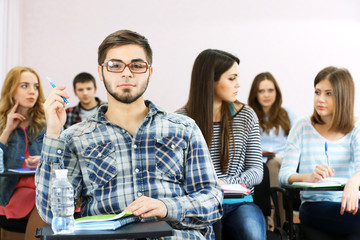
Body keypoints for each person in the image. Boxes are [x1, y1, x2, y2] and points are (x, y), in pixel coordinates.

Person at [35, 30, 223, 239]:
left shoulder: (184, 128)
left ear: (149, 71)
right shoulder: (75, 137)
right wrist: (53, 133)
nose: (126, 73)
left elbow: (212, 200)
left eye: (137, 65)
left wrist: (166, 207)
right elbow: (52, 213)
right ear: (101, 71)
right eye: (115, 65)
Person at [176, 49, 266, 240]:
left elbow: (257, 170)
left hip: (238, 203)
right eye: (232, 78)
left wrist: (226, 183)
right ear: (211, 81)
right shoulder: (181, 121)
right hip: (198, 206)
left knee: (252, 232)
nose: (238, 84)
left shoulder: (246, 115)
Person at [279, 66, 360, 236]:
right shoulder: (302, 125)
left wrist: (353, 182)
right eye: (317, 92)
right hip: (315, 207)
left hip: (351, 204)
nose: (320, 99)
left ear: (343, 96)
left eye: (328, 93)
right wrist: (308, 177)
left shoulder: (356, 128)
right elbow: (284, 175)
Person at [0, 66, 47, 240]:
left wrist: (43, 159)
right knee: (45, 207)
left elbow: (64, 158)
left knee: (48, 203)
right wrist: (7, 131)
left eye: (35, 87)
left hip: (43, 188)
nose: (32, 92)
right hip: (13, 190)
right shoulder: (2, 123)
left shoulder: (46, 123)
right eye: (25, 86)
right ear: (11, 90)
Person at [248, 72, 297, 187]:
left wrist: (284, 157)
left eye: (270, 90)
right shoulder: (248, 116)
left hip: (282, 161)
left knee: (273, 164)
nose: (266, 95)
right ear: (255, 94)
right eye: (261, 91)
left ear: (276, 92)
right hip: (257, 163)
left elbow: (297, 144)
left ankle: (275, 205)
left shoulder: (288, 114)